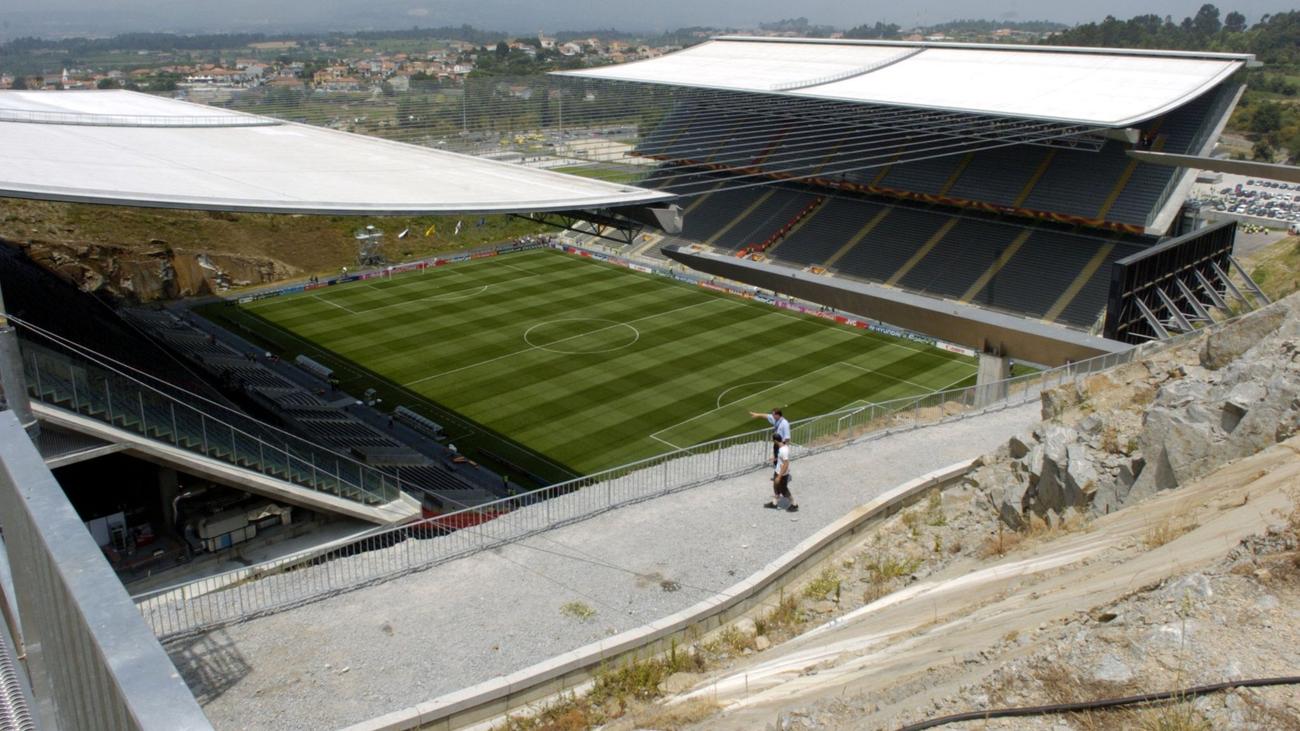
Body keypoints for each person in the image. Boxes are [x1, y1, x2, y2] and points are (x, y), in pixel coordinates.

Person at [763, 436, 797, 512]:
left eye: (772, 439)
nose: (772, 440)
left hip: (782, 473)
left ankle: (794, 504)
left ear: (775, 440)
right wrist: (775, 459)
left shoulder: (783, 451)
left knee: (783, 489)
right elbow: (781, 459)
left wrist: (779, 476)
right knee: (776, 486)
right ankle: (774, 503)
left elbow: (786, 464)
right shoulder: (783, 447)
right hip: (778, 471)